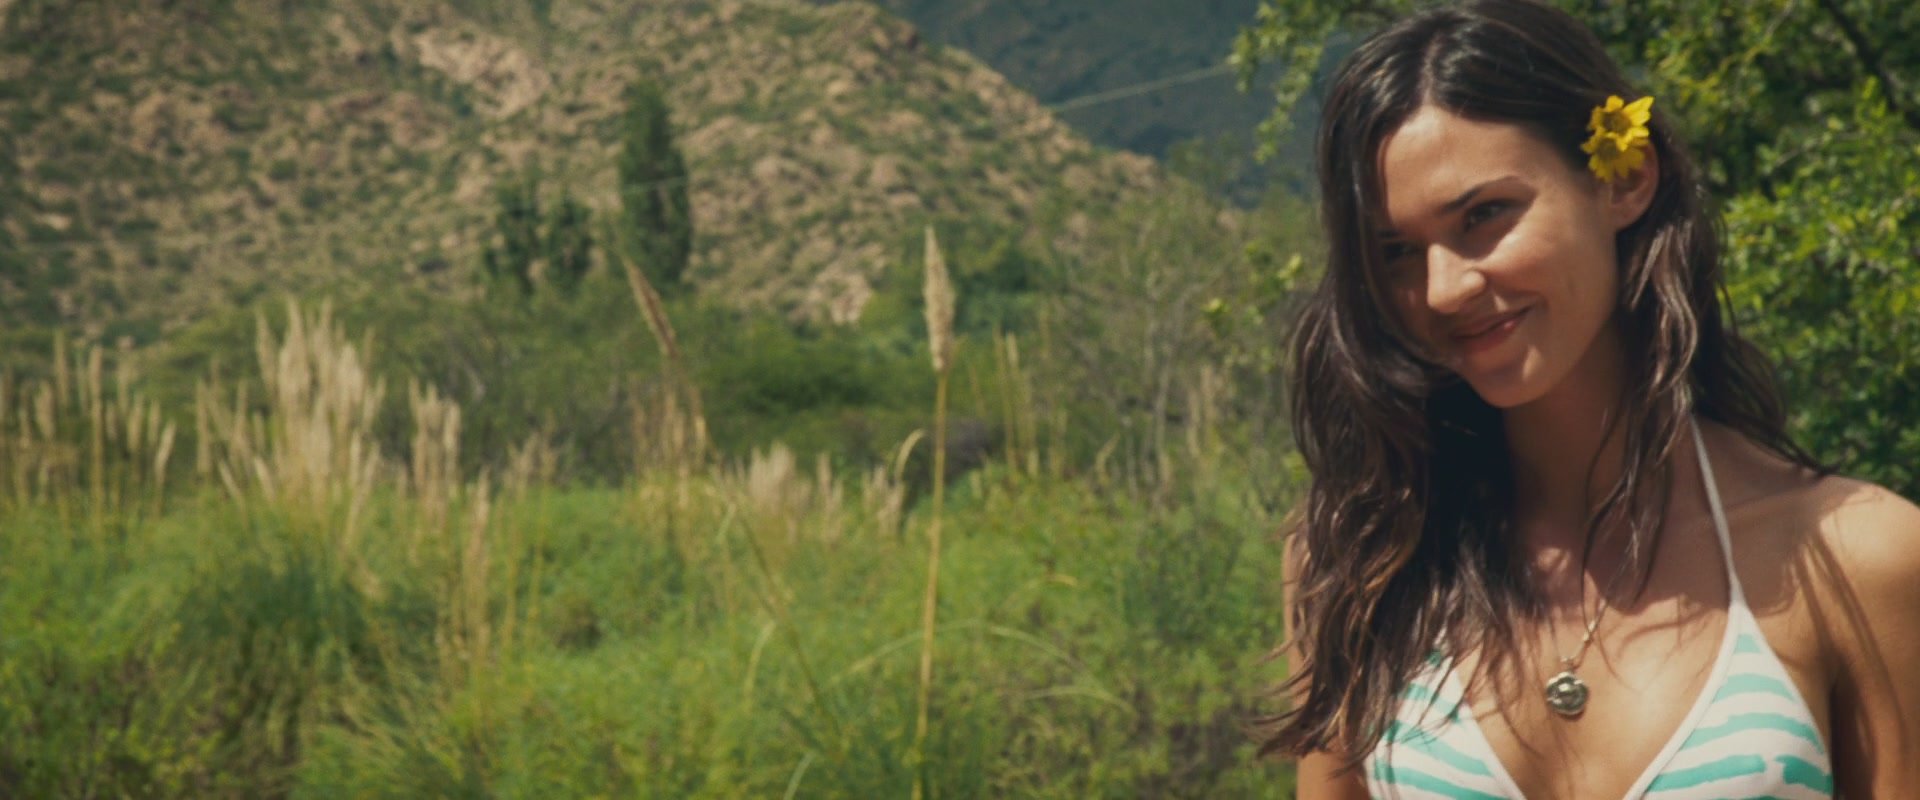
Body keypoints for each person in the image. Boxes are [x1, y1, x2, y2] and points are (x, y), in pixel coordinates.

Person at [1263, 0, 1920, 796]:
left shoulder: (1860, 557)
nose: (1442, 289)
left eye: (1483, 215)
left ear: (1625, 178)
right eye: (1397, 252)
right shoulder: (1364, 560)